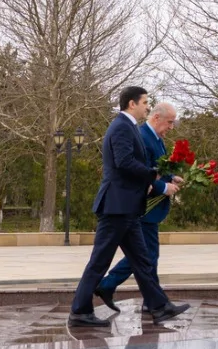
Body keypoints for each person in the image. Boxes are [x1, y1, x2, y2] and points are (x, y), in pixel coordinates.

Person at [66, 87, 190, 327]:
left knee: (143, 260)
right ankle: (79, 311)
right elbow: (124, 162)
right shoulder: (122, 126)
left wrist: (160, 176)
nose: (147, 106)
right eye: (144, 102)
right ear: (132, 104)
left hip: (128, 207)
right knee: (99, 261)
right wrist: (154, 176)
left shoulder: (129, 126)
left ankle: (159, 306)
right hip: (116, 206)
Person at [94, 99, 179, 313]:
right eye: (169, 122)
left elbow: (157, 168)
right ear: (156, 118)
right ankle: (111, 286)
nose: (171, 127)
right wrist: (162, 188)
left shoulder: (156, 138)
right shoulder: (142, 136)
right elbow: (138, 171)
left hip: (148, 208)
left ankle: (151, 302)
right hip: (141, 206)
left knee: (145, 256)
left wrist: (171, 178)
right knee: (145, 256)